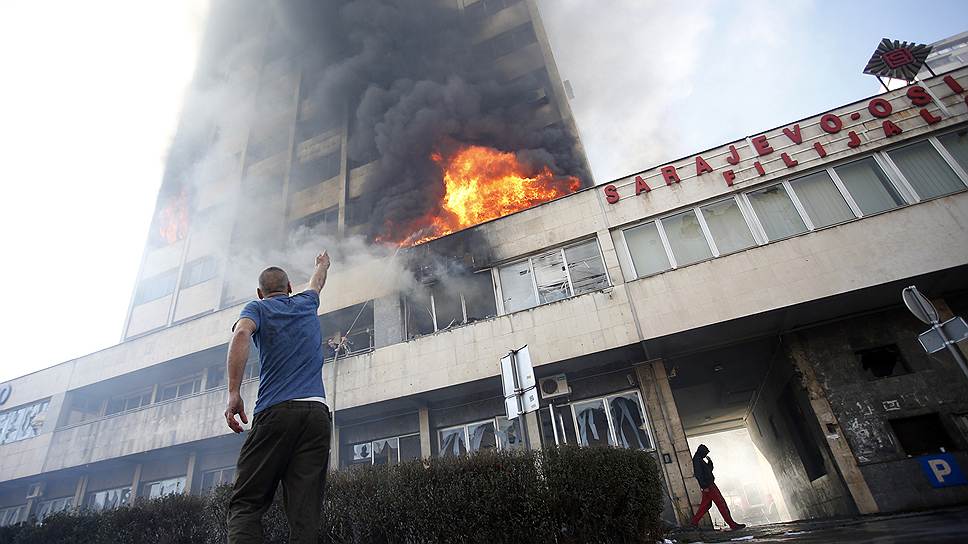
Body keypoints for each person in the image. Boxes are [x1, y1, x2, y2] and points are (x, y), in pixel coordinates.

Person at [224, 251, 332, 544]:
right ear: (289, 289)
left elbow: (242, 334)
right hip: (317, 415)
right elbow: (317, 282)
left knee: (246, 503)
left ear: (260, 293)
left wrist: (234, 393)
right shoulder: (307, 302)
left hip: (276, 413)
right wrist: (322, 264)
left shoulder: (256, 309)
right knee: (304, 514)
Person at [690, 444, 746, 530]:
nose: (706, 455)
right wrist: (704, 486)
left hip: (708, 485)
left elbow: (708, 471)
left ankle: (694, 523)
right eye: (705, 453)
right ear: (702, 452)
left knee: (706, 505)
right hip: (709, 486)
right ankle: (732, 524)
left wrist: (710, 463)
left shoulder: (699, 459)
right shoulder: (697, 460)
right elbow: (699, 474)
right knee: (721, 504)